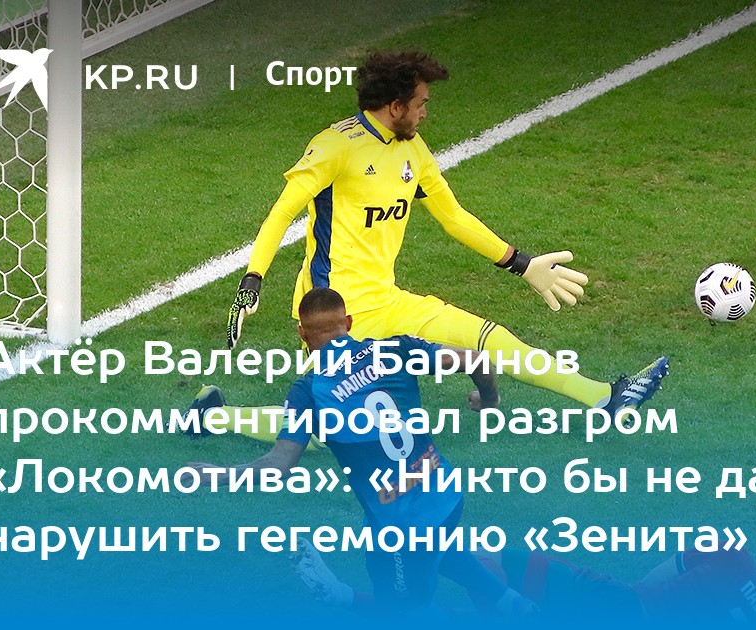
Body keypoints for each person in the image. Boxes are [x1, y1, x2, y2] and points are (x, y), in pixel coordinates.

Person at [225, 49, 667, 435]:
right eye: (420, 104)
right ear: (396, 106)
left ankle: (605, 397)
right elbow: (282, 212)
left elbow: (453, 217)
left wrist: (521, 263)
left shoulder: (412, 149)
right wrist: (252, 280)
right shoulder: (334, 147)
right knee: (323, 431)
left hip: (389, 300)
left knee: (492, 340)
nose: (424, 114)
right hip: (338, 316)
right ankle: (214, 415)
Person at [189, 288, 534, 615]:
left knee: (401, 613)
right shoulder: (396, 349)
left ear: (302, 334)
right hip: (444, 492)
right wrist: (489, 400)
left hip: (399, 525)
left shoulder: (309, 391)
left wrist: (216, 475)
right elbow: (475, 360)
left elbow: (279, 464)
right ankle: (513, 604)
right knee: (434, 544)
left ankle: (342, 596)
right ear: (349, 323)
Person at [296, 540, 756, 623]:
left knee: (491, 566)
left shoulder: (735, 558)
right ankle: (341, 596)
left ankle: (396, 543)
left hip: (616, 606)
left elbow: (658, 574)